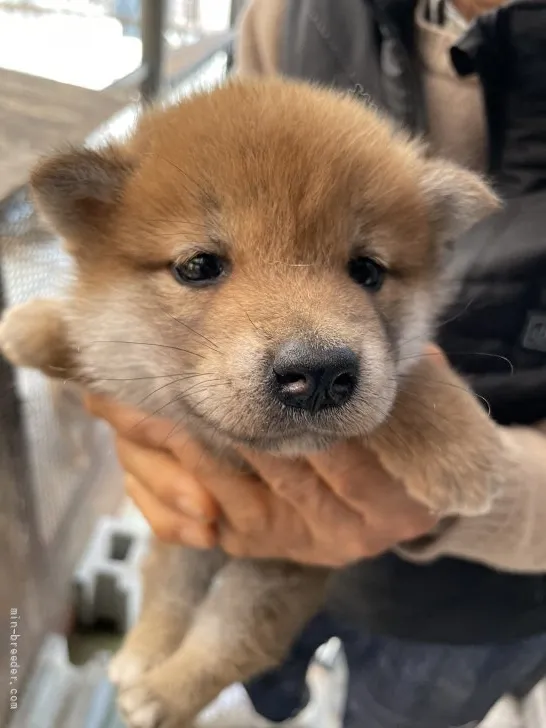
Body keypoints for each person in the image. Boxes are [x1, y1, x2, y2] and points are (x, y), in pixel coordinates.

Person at [86, 1, 546, 726]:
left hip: (468, 607)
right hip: (257, 530)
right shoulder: (290, 15)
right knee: (260, 666)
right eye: (206, 264)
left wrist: (482, 499)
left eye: (365, 269)